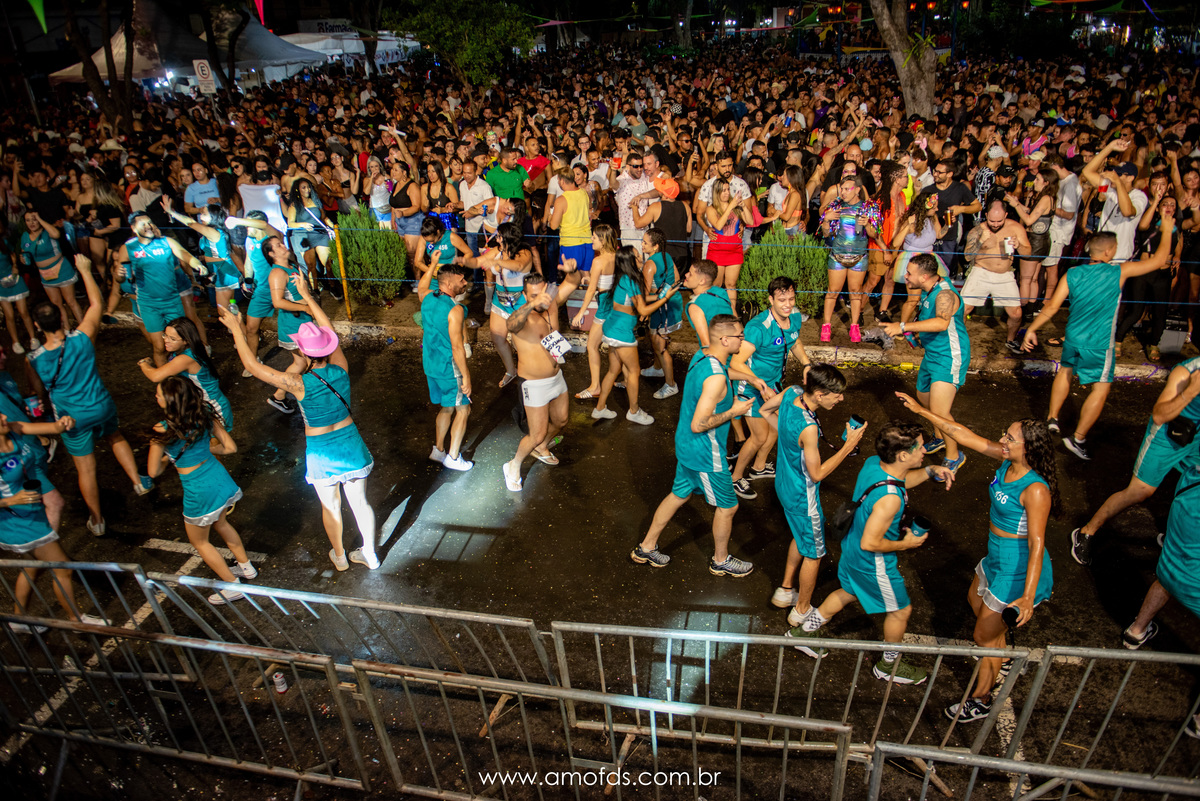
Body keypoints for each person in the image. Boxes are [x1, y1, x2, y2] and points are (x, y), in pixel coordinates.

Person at [897, 394, 1057, 721]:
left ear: (1028, 448)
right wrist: (922, 411)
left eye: (1010, 438)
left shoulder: (1036, 489)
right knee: (975, 601)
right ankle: (1001, 654)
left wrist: (1027, 597)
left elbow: (1037, 544)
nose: (1003, 440)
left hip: (1015, 568)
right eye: (1005, 435)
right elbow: (963, 434)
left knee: (983, 637)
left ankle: (982, 698)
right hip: (996, 556)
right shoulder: (1007, 460)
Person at [219, 278, 380, 571]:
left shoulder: (298, 383)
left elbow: (254, 367)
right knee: (360, 503)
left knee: (331, 507)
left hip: (322, 452)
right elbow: (330, 331)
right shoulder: (341, 368)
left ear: (304, 353)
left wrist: (236, 330)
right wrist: (307, 295)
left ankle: (340, 557)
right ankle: (370, 554)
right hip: (351, 444)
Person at [786, 421, 954, 686]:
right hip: (872, 563)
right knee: (900, 611)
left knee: (848, 592)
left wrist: (929, 471)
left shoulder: (874, 463)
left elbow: (899, 480)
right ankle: (888, 666)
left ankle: (804, 631)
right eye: (920, 447)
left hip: (850, 549)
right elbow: (871, 543)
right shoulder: (891, 500)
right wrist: (907, 544)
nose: (925, 451)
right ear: (903, 455)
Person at [1023, 213, 1177, 460]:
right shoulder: (1119, 271)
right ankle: (1078, 438)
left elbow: (1051, 307)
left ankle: (1052, 418)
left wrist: (1032, 329)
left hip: (1073, 337)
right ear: (1108, 252)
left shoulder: (1072, 273)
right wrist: (1167, 230)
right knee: (1101, 389)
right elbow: (1159, 260)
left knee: (1065, 372)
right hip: (1099, 343)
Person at [28, 255, 152, 536]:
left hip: (72, 417)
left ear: (37, 325)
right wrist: (85, 270)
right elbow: (96, 304)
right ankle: (138, 481)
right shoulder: (82, 338)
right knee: (115, 436)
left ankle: (97, 520)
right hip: (101, 405)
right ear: (61, 317)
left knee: (86, 469)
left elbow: (36, 394)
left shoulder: (33, 359)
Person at [631, 314, 756, 577]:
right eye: (740, 336)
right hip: (706, 455)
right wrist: (733, 411)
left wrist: (753, 379)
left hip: (686, 446)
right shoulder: (716, 380)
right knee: (728, 507)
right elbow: (699, 424)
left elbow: (722, 372)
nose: (743, 341)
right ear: (725, 340)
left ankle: (646, 547)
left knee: (679, 495)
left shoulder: (703, 355)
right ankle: (720, 561)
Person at [1068, 356, 1200, 566]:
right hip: (1168, 436)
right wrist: (1191, 391)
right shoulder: (1186, 372)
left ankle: (1174, 538)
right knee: (1140, 492)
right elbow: (1159, 415)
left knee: (1193, 488)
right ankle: (1086, 531)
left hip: (1196, 438)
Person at [759, 365, 864, 628]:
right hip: (802, 497)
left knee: (800, 537)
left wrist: (788, 438)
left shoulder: (791, 392)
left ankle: (785, 590)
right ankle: (801, 610)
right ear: (819, 394)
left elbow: (764, 411)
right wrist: (848, 447)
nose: (840, 399)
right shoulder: (809, 428)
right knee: (815, 554)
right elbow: (816, 474)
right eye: (836, 395)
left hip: (784, 485)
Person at [146, 377, 254, 604]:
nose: (155, 397)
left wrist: (168, 459)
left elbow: (153, 471)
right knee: (222, 523)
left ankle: (233, 586)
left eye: (159, 394)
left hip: (198, 490)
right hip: (220, 479)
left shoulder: (162, 429)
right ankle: (246, 567)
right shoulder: (204, 415)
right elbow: (230, 447)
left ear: (170, 400)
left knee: (200, 542)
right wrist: (204, 450)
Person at [0, 412, 107, 631]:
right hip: (19, 523)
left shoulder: (14, 428)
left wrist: (64, 422)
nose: (3, 415)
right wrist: (11, 500)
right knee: (63, 568)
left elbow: (55, 428)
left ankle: (18, 620)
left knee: (32, 567)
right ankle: (75, 620)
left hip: (33, 512)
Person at [882, 253, 971, 476]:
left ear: (923, 276)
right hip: (933, 354)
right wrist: (918, 335)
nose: (905, 276)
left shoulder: (945, 294)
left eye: (909, 273)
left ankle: (954, 456)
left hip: (949, 356)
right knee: (924, 397)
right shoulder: (929, 289)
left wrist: (904, 327)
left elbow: (941, 323)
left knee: (940, 412)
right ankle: (940, 437)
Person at [728, 276, 813, 499]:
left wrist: (806, 364)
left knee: (776, 428)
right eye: (782, 300)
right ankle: (735, 478)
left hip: (773, 384)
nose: (787, 304)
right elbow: (736, 362)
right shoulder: (758, 327)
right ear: (771, 300)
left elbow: (794, 341)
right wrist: (760, 385)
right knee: (758, 436)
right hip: (750, 386)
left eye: (791, 299)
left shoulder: (794, 317)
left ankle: (759, 467)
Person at [501, 271, 578, 491]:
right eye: (533, 295)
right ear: (525, 296)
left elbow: (573, 281)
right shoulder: (522, 317)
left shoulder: (551, 304)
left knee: (561, 421)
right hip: (534, 385)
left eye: (542, 293)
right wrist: (532, 304)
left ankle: (541, 447)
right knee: (536, 434)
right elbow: (510, 325)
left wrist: (572, 271)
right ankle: (514, 464)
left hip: (556, 378)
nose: (541, 299)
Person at [591, 246, 679, 426]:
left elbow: (640, 300)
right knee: (634, 371)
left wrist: (661, 295)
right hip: (622, 333)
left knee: (613, 370)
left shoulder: (623, 278)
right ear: (630, 261)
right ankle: (634, 411)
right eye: (638, 257)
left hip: (612, 328)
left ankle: (599, 408)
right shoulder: (630, 280)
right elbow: (643, 310)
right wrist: (665, 298)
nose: (641, 259)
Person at [1119, 461, 1200, 652]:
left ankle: (1136, 631)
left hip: (1168, 571)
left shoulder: (1190, 478)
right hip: (1193, 586)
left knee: (1166, 579)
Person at [116, 209, 207, 366]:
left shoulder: (166, 242)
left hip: (172, 302)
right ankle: (167, 378)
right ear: (134, 228)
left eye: (150, 222)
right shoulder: (128, 248)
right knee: (159, 347)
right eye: (143, 224)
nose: (148, 226)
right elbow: (120, 277)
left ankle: (186, 374)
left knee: (181, 343)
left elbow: (183, 254)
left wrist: (197, 264)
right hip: (148, 304)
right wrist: (119, 275)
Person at [417, 262, 473, 471]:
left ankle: (438, 450)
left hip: (430, 365)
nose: (465, 283)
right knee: (463, 409)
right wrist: (466, 376)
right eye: (461, 280)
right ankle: (453, 457)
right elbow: (457, 347)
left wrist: (432, 265)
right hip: (448, 368)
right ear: (449, 284)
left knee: (447, 407)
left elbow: (422, 287)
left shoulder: (428, 298)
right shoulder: (455, 310)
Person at [138, 316, 232, 432]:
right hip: (197, 408)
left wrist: (143, 364)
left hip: (213, 409)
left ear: (186, 341)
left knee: (212, 442)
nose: (166, 340)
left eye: (172, 339)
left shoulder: (186, 359)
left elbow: (155, 376)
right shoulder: (182, 352)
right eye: (165, 335)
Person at [962, 199, 1031, 353]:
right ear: (986, 215)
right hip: (981, 272)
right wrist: (980, 241)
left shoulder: (1016, 228)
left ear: (1006, 215)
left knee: (1016, 314)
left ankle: (1011, 340)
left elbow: (1028, 253)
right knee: (964, 309)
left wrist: (1019, 246)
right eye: (992, 221)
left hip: (1005, 274)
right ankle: (958, 341)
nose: (995, 224)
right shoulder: (977, 230)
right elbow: (967, 256)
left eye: (999, 221)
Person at [472, 222, 535, 387]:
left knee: (521, 343)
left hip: (520, 302)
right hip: (500, 301)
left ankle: (529, 373)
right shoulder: (497, 251)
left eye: (499, 236)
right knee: (498, 338)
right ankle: (511, 371)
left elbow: (519, 265)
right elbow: (479, 261)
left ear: (507, 237)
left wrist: (499, 263)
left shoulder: (524, 252)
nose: (497, 239)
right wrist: (463, 260)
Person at [819, 175, 879, 343]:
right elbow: (826, 234)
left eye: (847, 189)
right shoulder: (836, 206)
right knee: (832, 291)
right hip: (837, 256)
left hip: (859, 257)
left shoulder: (868, 207)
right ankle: (826, 326)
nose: (843, 193)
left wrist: (867, 224)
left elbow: (874, 234)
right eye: (842, 189)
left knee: (855, 292)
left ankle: (854, 326)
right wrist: (826, 220)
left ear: (857, 190)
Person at [226, 211, 284, 375]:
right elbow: (248, 262)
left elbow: (264, 225)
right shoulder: (249, 240)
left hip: (281, 288)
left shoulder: (271, 238)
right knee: (251, 329)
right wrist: (248, 281)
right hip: (262, 291)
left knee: (292, 328)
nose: (245, 227)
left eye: (248, 224)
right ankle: (253, 362)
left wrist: (237, 220)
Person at [568, 224, 618, 400]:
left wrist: (581, 312)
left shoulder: (598, 261)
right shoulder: (618, 256)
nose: (591, 240)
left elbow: (591, 291)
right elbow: (608, 281)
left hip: (604, 307)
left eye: (594, 237)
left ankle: (595, 386)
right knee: (617, 346)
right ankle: (625, 379)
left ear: (603, 240)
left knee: (591, 345)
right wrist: (591, 279)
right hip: (617, 305)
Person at [165, 202, 240, 312]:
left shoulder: (213, 232)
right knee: (229, 308)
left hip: (223, 271)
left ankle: (235, 323)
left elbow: (191, 223)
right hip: (219, 270)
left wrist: (173, 213)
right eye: (201, 214)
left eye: (204, 214)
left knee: (223, 311)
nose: (200, 217)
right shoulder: (211, 232)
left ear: (214, 216)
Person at [20, 210, 83, 333]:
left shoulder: (48, 231)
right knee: (56, 304)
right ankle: (66, 330)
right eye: (28, 220)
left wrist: (40, 219)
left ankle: (84, 329)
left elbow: (56, 234)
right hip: (45, 274)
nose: (32, 223)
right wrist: (23, 259)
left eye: (34, 219)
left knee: (70, 301)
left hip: (61, 269)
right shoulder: (25, 236)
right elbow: (25, 253)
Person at [639, 227, 684, 398]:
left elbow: (644, 295)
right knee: (654, 338)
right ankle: (657, 368)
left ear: (655, 246)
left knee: (661, 346)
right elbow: (677, 280)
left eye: (645, 243)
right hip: (669, 303)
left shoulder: (649, 265)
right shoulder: (667, 256)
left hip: (662, 308)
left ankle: (671, 385)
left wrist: (645, 308)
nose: (642, 245)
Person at [0, 234, 38, 354]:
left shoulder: (4, 242)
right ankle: (15, 342)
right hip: (1, 285)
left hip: (14, 278)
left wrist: (15, 266)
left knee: (23, 311)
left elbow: (13, 254)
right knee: (9, 315)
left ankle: (33, 338)